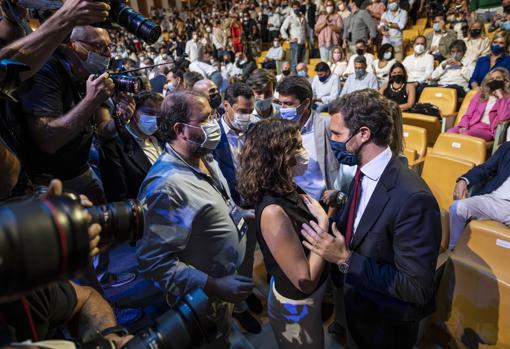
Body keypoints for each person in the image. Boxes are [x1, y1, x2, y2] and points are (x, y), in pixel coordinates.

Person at [300, 90, 441, 349]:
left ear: (363, 134)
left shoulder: (414, 199)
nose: (332, 141)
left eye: (337, 135)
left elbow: (416, 287)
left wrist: (345, 259)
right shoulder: (363, 172)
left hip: (385, 324)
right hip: (359, 308)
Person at [136, 90, 254, 349]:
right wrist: (213, 285)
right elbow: (154, 262)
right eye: (205, 119)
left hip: (223, 288)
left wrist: (238, 214)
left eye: (212, 115)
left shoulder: (204, 157)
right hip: (202, 297)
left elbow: (211, 205)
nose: (214, 123)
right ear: (181, 129)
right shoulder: (165, 187)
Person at [237, 118, 329, 349]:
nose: (303, 152)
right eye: (297, 147)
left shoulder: (288, 185)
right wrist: (324, 226)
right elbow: (304, 281)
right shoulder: (273, 212)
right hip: (296, 308)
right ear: (278, 157)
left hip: (311, 299)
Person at [15, 26, 115, 204]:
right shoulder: (45, 71)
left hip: (81, 169)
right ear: (72, 45)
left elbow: (103, 129)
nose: (107, 54)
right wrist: (90, 101)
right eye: (99, 46)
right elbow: (48, 140)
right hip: (50, 179)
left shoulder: (89, 70)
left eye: (109, 47)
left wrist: (119, 120)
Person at [210, 82, 262, 334]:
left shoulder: (254, 129)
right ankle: (238, 309)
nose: (246, 115)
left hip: (253, 206)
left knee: (248, 257)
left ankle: (245, 293)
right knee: (230, 261)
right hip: (226, 211)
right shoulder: (211, 134)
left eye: (250, 110)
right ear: (226, 106)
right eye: (242, 110)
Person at [276, 76, 339, 200]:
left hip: (322, 200)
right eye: (281, 103)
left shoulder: (327, 125)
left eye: (288, 104)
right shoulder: (277, 125)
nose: (283, 109)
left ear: (305, 103)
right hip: (292, 200)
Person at [99, 92, 163, 202]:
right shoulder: (116, 146)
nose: (155, 119)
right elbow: (119, 197)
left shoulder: (162, 138)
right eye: (149, 113)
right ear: (133, 112)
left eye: (159, 114)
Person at [449, 141, 510, 250]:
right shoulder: (507, 147)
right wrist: (464, 180)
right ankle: (453, 250)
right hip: (492, 199)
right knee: (457, 208)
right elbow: (486, 167)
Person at [449, 67, 510, 141]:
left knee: (466, 135)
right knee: (450, 132)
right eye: (492, 79)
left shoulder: (507, 98)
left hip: (487, 130)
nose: (494, 81)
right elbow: (468, 114)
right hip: (471, 125)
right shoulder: (481, 95)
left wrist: (500, 96)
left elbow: (503, 117)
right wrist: (464, 126)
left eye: (498, 78)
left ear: (505, 80)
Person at [280, 1, 308, 72]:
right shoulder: (290, 17)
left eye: (297, 7)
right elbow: (282, 29)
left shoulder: (303, 17)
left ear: (299, 7)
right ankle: (294, 79)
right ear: (292, 8)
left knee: (301, 63)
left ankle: (300, 79)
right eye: (294, 7)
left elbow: (305, 30)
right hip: (295, 43)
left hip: (303, 42)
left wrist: (306, 40)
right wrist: (288, 39)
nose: (295, 8)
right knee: (295, 63)